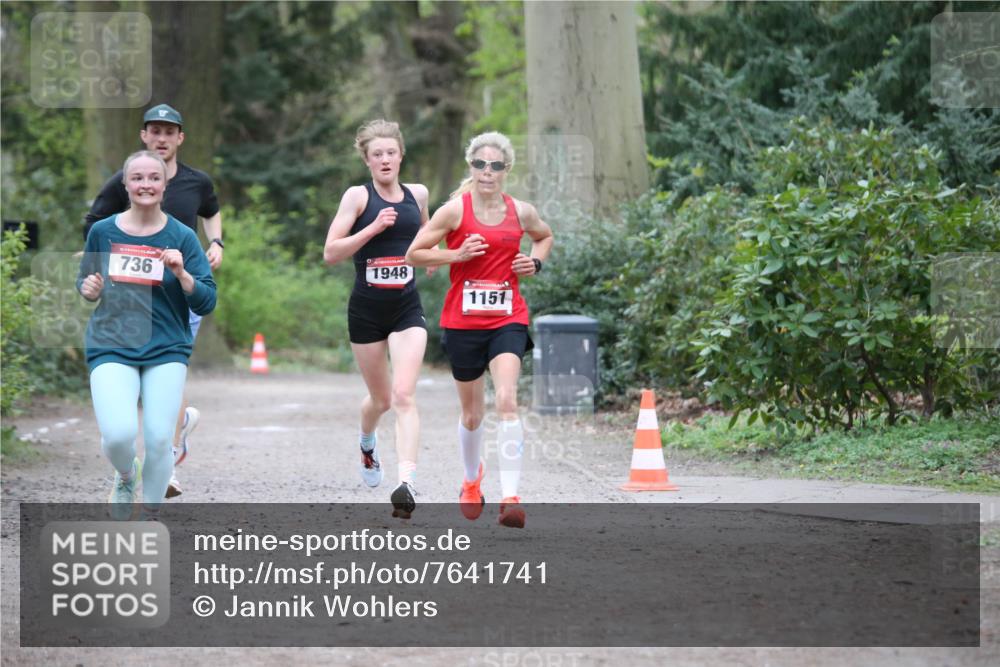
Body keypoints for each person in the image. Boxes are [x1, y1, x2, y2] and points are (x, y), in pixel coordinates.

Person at [405, 131, 553, 528]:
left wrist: (534, 263)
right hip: (463, 321)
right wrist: (457, 253)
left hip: (508, 317)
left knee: (506, 399)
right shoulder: (454, 211)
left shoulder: (521, 211)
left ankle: (511, 497)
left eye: (496, 165)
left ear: (507, 170)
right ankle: (472, 481)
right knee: (472, 414)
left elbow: (544, 236)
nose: (488, 172)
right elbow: (414, 253)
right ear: (471, 166)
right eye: (480, 164)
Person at [84, 103, 223, 499]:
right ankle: (129, 469)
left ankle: (164, 468)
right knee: (120, 432)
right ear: (126, 185)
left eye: (169, 131)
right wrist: (94, 281)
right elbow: (90, 248)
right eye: (137, 179)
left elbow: (207, 296)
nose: (146, 184)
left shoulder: (186, 216)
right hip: (119, 326)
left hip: (172, 314)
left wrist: (207, 251)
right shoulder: (108, 219)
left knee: (159, 430)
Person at [324, 119, 430, 519]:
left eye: (391, 152)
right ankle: (367, 442)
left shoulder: (417, 194)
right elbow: (331, 252)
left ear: (401, 155)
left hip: (406, 307)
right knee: (381, 400)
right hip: (366, 311)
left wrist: (432, 257)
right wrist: (371, 228)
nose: (385, 159)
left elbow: (424, 235)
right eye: (377, 154)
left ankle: (407, 483)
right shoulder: (357, 197)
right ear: (367, 161)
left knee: (404, 395)